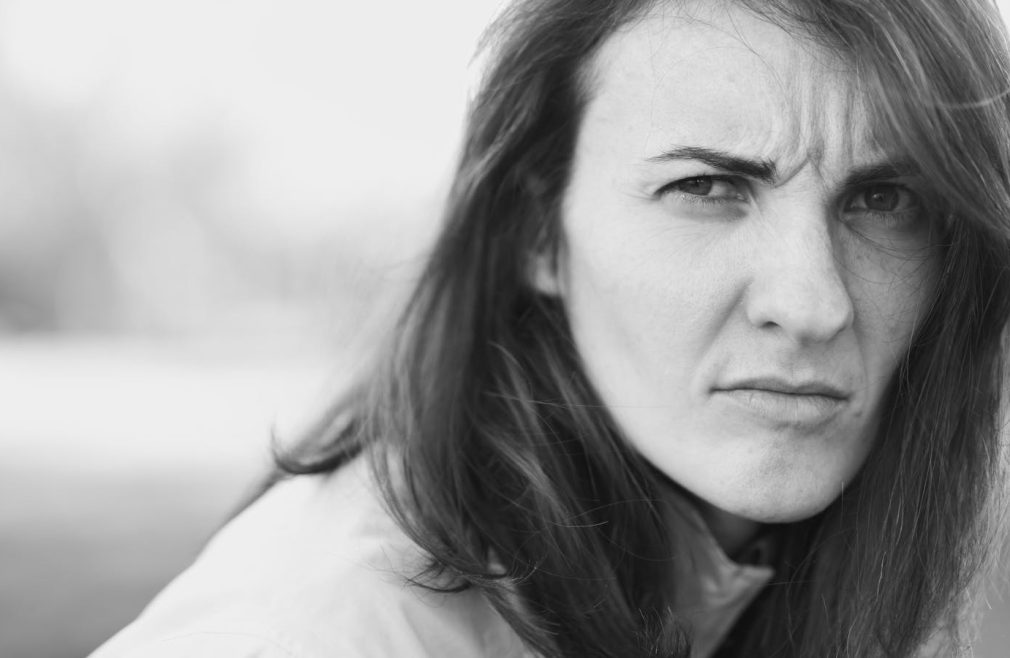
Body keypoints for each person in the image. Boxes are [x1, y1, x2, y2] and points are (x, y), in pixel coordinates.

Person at [91, 0, 1010, 656]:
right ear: (538, 232)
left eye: (883, 200)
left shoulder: (892, 563)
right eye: (705, 188)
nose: (814, 303)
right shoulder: (306, 636)